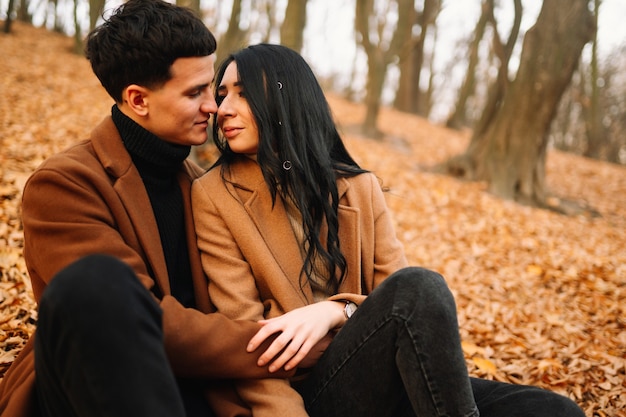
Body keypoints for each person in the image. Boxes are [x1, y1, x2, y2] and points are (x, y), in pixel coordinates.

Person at [191, 43, 586, 417]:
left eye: (241, 93)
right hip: (308, 392)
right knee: (421, 286)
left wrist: (335, 310)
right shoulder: (214, 195)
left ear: (285, 98)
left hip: (385, 371)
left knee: (556, 411)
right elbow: (248, 341)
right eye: (222, 94)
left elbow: (397, 305)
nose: (223, 108)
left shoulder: (357, 188)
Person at [0, 3, 297, 417]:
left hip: (207, 393)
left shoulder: (204, 186)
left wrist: (335, 313)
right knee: (99, 282)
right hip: (92, 393)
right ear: (138, 100)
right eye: (196, 93)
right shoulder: (64, 184)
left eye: (212, 88)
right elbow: (145, 325)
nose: (214, 107)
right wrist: (285, 345)